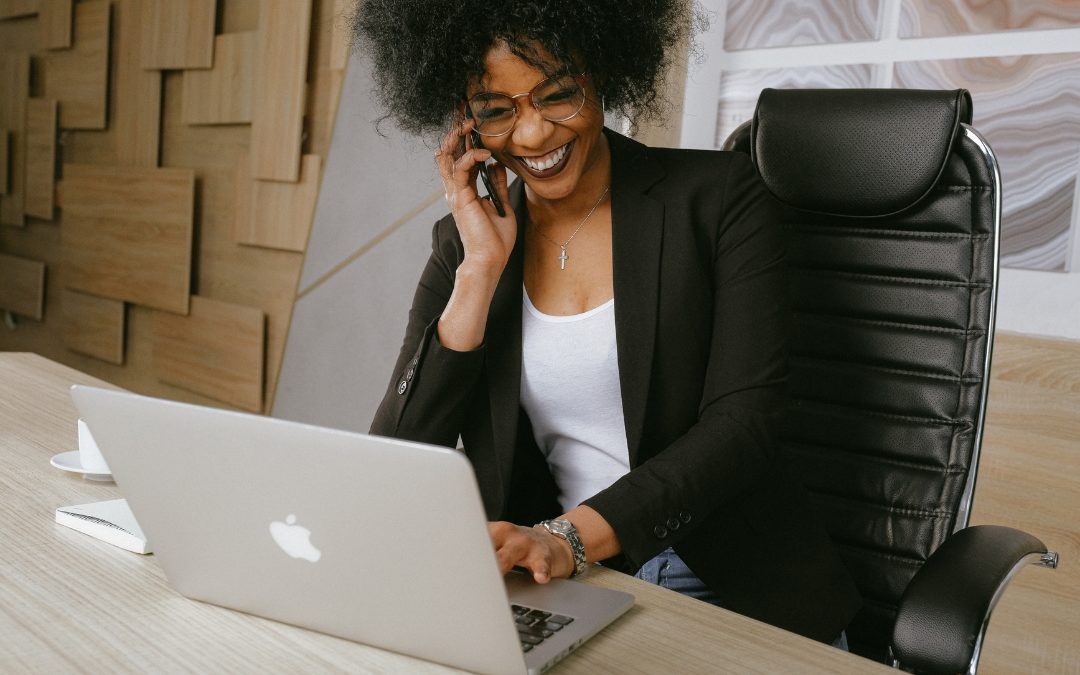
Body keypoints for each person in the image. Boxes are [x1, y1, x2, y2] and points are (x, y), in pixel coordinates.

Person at [355, 0, 862, 645]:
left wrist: (567, 538)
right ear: (466, 120)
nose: (534, 135)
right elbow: (398, 452)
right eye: (497, 108)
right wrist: (480, 269)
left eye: (557, 96)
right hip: (560, 587)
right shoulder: (465, 243)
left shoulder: (718, 199)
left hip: (727, 579)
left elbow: (744, 422)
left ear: (602, 76)